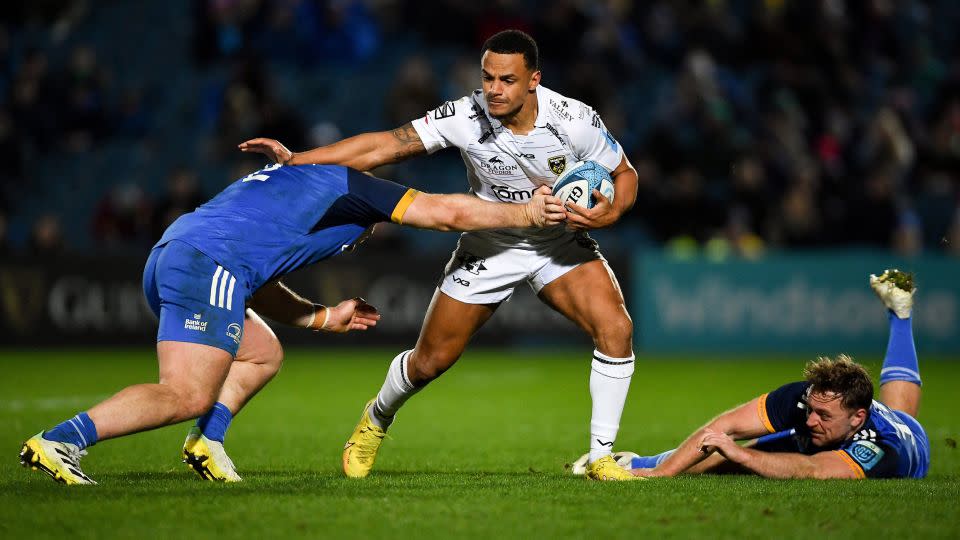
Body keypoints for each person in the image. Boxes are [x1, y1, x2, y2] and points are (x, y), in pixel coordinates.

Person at [240, 29, 641, 481]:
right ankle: (376, 417)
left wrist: (609, 215)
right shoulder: (465, 115)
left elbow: (624, 174)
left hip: (557, 243)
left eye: (506, 80)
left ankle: (601, 457)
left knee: (616, 328)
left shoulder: (574, 120)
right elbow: (386, 145)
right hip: (493, 243)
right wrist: (297, 161)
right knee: (430, 361)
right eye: (487, 77)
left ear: (534, 80)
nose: (493, 89)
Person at [19, 162, 566, 485]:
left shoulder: (293, 183)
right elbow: (446, 213)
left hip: (177, 254)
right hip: (208, 263)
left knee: (262, 354)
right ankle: (61, 440)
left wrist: (322, 317)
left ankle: (206, 444)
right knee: (184, 393)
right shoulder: (358, 191)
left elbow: (254, 278)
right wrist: (526, 214)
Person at [575, 270, 929, 479]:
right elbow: (724, 428)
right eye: (813, 410)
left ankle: (901, 317)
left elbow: (815, 471)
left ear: (857, 418)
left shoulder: (882, 448)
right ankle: (634, 461)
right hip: (835, 441)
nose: (811, 420)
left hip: (907, 441)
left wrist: (741, 454)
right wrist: (656, 474)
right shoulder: (806, 400)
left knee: (902, 417)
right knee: (725, 452)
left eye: (825, 416)